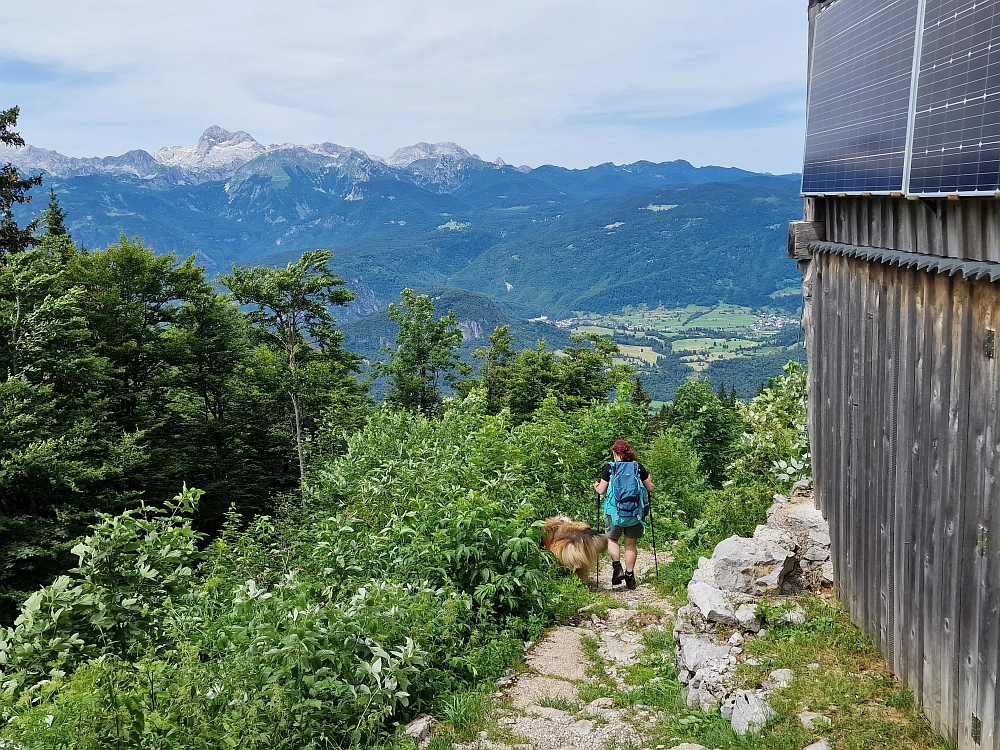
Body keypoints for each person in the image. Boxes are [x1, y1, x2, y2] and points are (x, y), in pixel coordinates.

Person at [594, 439, 654, 590]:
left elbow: (601, 490)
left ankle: (617, 567)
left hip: (614, 514)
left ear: (614, 453)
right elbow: (650, 488)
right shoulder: (637, 467)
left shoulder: (610, 468)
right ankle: (630, 576)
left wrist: (596, 485)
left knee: (612, 540)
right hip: (634, 513)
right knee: (630, 544)